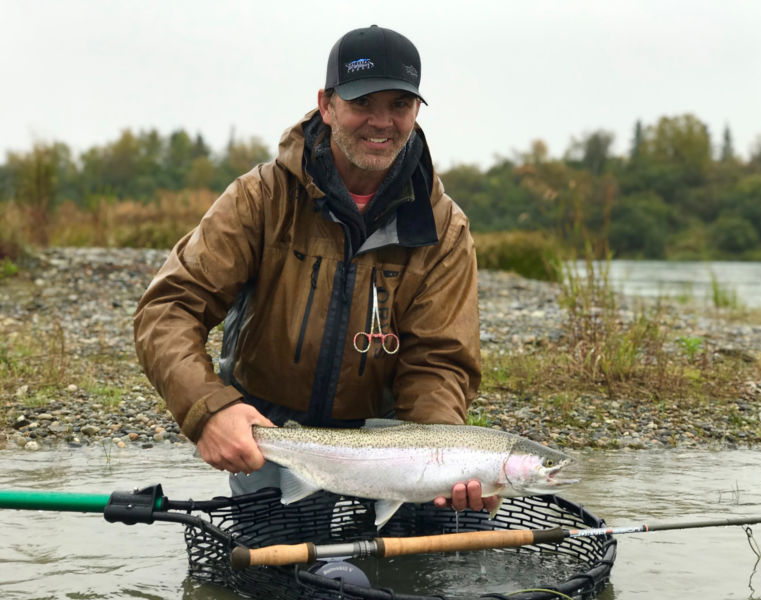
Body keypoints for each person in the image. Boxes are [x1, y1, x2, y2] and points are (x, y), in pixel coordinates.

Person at [134, 25, 497, 514]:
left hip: (387, 445)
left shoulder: (443, 228)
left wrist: (443, 457)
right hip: (266, 430)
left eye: (399, 105)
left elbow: (439, 361)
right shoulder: (259, 198)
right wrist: (208, 410)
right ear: (327, 105)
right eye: (363, 102)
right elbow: (169, 309)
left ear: (416, 111)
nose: (381, 121)